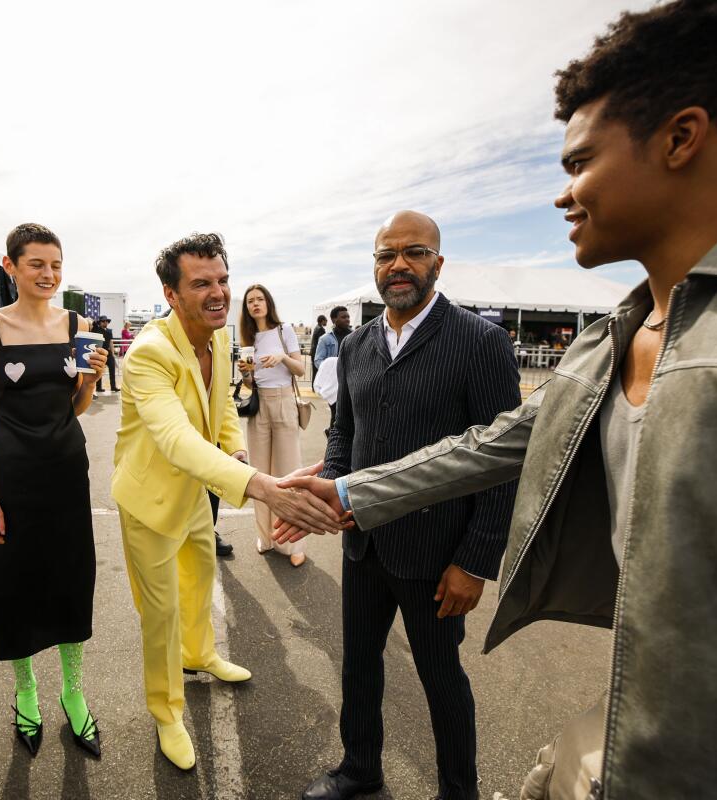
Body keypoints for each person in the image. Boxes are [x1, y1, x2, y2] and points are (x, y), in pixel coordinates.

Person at [279, 1, 717, 796]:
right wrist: (342, 493)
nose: (562, 195)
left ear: (682, 138)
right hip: (648, 746)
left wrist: (471, 559)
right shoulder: (612, 339)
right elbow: (493, 447)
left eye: (579, 163)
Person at [297, 212, 519, 800]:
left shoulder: (480, 341)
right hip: (364, 541)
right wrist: (339, 484)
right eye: (385, 255)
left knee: (441, 679)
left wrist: (475, 561)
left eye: (413, 252)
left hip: (438, 553)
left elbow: (504, 461)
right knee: (359, 664)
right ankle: (360, 769)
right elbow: (344, 429)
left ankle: (458, 791)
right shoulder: (354, 345)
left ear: (437, 264)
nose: (398, 265)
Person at [112, 233, 347, 771]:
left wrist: (239, 454)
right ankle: (167, 711)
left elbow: (219, 414)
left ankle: (200, 655)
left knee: (199, 581)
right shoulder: (148, 354)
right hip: (149, 500)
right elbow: (175, 439)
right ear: (171, 294)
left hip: (197, 493)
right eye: (201, 283)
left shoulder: (219, 339)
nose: (219, 293)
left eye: (222, 280)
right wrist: (262, 487)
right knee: (161, 612)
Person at [0, 223, 106, 761]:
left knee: (71, 581)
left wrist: (89, 381)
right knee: (15, 586)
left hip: (68, 473)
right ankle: (26, 693)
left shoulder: (76, 323)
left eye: (56, 265)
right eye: (36, 265)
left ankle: (73, 691)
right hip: (13, 480)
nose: (48, 275)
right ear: (11, 267)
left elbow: (74, 408)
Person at [238, 284, 309, 567]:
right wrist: (246, 375)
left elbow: (301, 369)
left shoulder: (284, 330)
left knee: (289, 474)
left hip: (283, 403)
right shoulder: (249, 338)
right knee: (260, 475)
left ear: (268, 302)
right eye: (250, 301)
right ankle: (266, 537)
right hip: (259, 405)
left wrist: (282, 357)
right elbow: (248, 384)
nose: (256, 304)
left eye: (260, 299)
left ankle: (294, 544)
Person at [314, 305, 352, 433]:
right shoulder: (325, 339)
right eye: (343, 317)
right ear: (334, 319)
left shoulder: (355, 336)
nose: (347, 319)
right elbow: (318, 360)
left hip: (351, 381)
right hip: (335, 384)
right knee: (337, 414)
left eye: (348, 317)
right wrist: (330, 369)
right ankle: (333, 442)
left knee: (350, 414)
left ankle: (333, 433)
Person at [95, 315, 117, 393]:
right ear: (100, 323)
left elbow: (111, 342)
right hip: (100, 353)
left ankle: (113, 387)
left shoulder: (109, 331)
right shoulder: (97, 330)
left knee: (112, 370)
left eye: (106, 321)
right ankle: (98, 387)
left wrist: (113, 353)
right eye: (103, 321)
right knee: (99, 371)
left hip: (109, 353)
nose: (105, 322)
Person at [309, 314, 327, 380]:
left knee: (315, 371)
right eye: (326, 320)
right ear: (322, 321)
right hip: (317, 353)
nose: (326, 322)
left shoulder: (316, 327)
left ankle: (313, 387)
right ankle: (315, 387)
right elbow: (321, 343)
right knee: (317, 370)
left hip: (314, 352)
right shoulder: (320, 329)